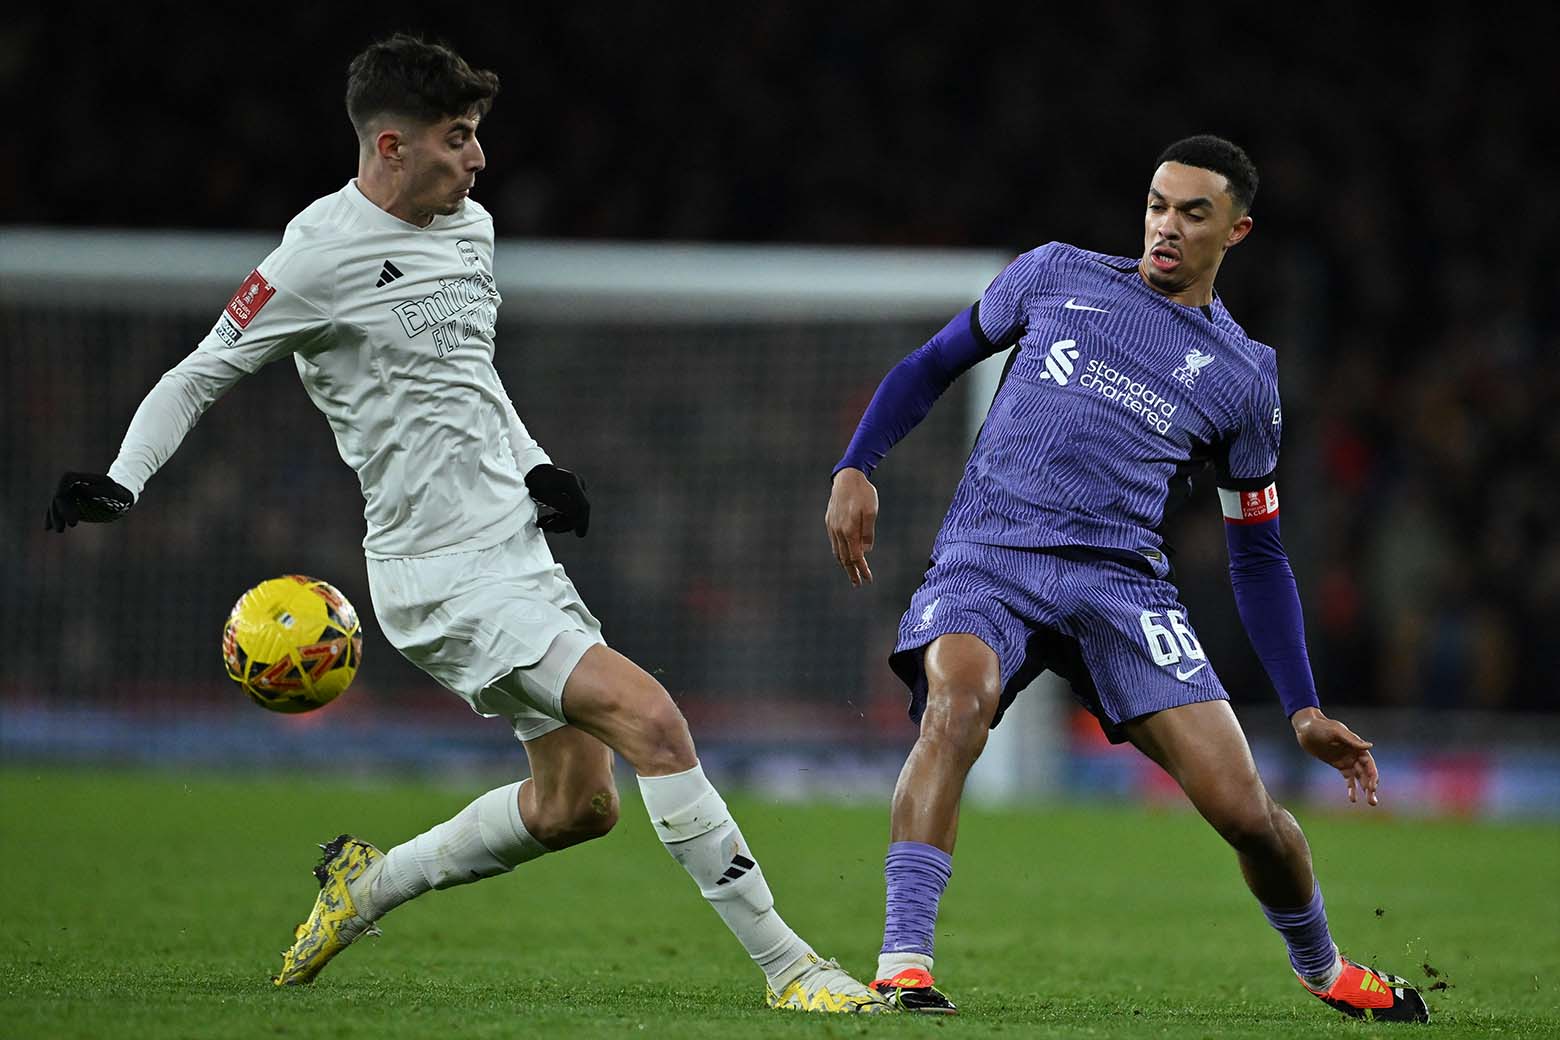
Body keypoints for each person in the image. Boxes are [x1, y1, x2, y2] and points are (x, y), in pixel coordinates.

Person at [45, 33, 885, 1015]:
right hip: (438, 572)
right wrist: (124, 479)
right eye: (458, 136)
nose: (478, 158)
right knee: (654, 720)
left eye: (477, 133)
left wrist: (535, 466)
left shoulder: (469, 229)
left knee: (578, 805)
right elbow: (198, 373)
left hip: (514, 547)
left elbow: (467, 373)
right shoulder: (315, 257)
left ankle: (369, 884)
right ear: (390, 145)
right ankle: (793, 969)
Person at [823, 135, 1429, 1022]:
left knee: (1245, 812)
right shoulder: (1054, 274)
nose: (1166, 227)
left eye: (1193, 213)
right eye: (1157, 205)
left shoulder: (1245, 379)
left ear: (1237, 231)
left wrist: (1302, 706)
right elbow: (931, 365)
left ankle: (1326, 968)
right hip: (993, 554)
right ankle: (903, 965)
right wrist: (856, 464)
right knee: (958, 704)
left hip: (1121, 585)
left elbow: (1258, 552)